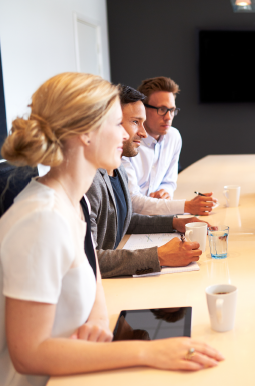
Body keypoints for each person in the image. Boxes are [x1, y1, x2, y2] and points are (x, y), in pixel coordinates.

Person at [0, 73, 223, 386]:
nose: (131, 134)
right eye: (119, 123)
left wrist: (98, 319)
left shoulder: (75, 202)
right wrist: (148, 352)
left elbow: (92, 275)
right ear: (85, 134)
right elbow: (29, 355)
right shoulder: (41, 220)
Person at [87, 85, 210, 278]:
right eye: (135, 122)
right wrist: (158, 256)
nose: (143, 134)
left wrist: (175, 223)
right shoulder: (89, 182)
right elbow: (89, 260)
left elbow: (125, 221)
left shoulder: (117, 168)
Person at [121, 76, 217, 215]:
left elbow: (169, 182)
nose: (168, 117)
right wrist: (187, 206)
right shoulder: (127, 143)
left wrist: (165, 192)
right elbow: (133, 202)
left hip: (156, 214)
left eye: (172, 110)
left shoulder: (173, 137)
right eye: (162, 109)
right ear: (144, 108)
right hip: (134, 220)